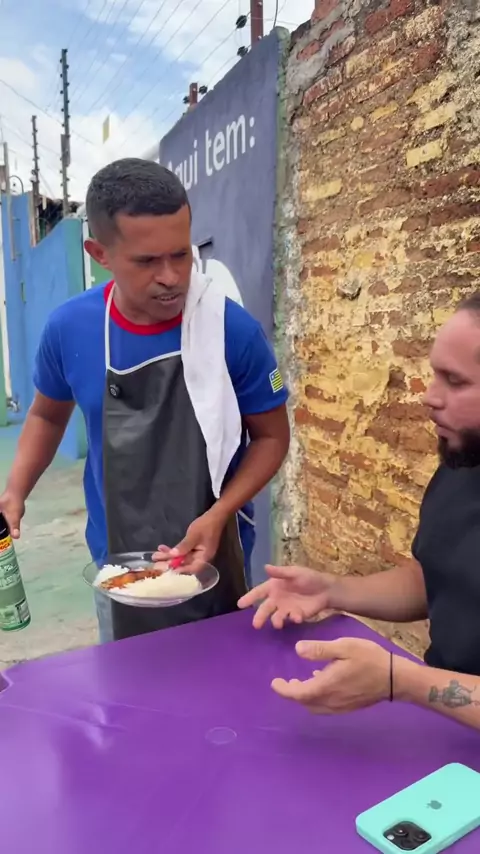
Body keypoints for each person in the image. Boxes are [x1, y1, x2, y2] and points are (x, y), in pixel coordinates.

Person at [0, 158, 290, 642]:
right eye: (147, 261)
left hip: (215, 558)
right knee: (129, 679)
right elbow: (47, 416)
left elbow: (272, 438)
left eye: (181, 255)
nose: (171, 276)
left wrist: (220, 513)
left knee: (220, 676)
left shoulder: (231, 330)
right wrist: (16, 490)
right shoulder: (71, 330)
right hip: (117, 564)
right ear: (99, 253)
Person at [239, 292, 480, 732]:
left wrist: (401, 681)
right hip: (443, 731)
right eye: (434, 374)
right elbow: (439, 580)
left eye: (455, 381)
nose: (429, 397)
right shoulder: (463, 463)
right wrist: (332, 590)